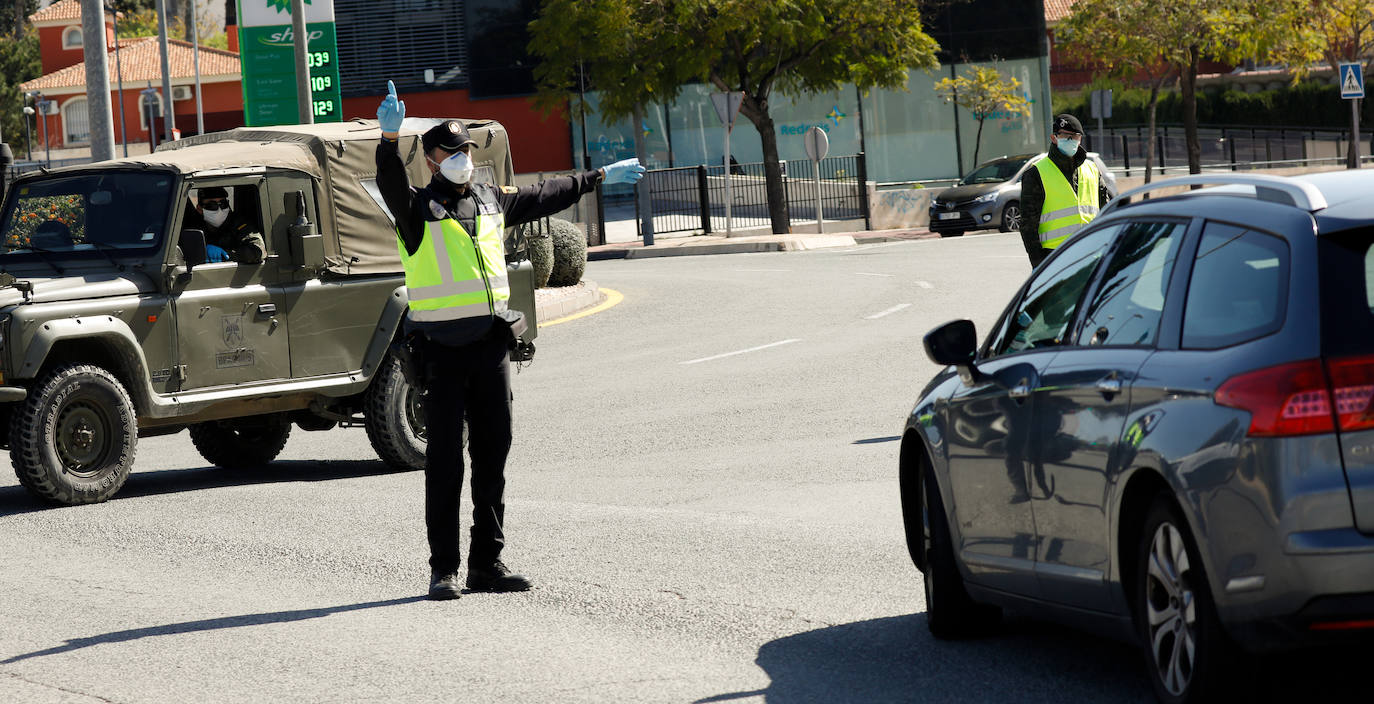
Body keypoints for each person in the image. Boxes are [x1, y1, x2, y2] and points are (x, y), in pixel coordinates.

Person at [374, 80, 646, 601]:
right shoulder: (415, 212)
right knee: (447, 463)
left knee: (493, 457)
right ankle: (444, 569)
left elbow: (545, 195)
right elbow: (389, 182)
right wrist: (388, 139)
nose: (461, 159)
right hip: (442, 354)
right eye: (450, 153)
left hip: (490, 349)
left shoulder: (490, 200)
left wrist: (597, 177)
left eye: (466, 151)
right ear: (431, 161)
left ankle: (487, 564)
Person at [1019, 114, 1112, 268]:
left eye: (1074, 136)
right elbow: (1028, 225)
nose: (1070, 140)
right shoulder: (1036, 173)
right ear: (1054, 138)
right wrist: (1039, 265)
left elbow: (1106, 212)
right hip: (1055, 257)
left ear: (1080, 139)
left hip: (1091, 255)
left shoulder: (1092, 170)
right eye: (1065, 135)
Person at [190, 186, 266, 264]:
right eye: (211, 205)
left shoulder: (240, 224)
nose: (219, 209)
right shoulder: (193, 226)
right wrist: (201, 251)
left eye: (223, 204)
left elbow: (258, 252)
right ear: (199, 209)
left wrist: (226, 255)